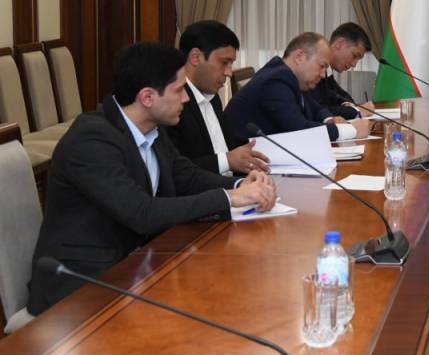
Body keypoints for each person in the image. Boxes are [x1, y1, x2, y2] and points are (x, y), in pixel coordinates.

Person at [27, 42, 276, 315]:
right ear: (147, 97)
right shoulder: (91, 139)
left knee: (226, 293)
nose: (186, 99)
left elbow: (186, 177)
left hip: (137, 267)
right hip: (81, 287)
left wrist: (241, 185)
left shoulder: (152, 129)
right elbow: (141, 212)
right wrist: (229, 198)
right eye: (179, 90)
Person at [164, 20, 270, 175]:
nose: (229, 72)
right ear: (195, 57)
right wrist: (227, 161)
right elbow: (175, 170)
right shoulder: (172, 104)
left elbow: (226, 145)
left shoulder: (212, 96)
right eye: (224, 62)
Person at [224, 32, 370, 141]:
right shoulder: (275, 81)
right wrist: (351, 130)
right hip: (242, 165)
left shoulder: (291, 77)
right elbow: (299, 130)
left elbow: (314, 107)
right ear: (299, 57)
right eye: (321, 66)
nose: (323, 75)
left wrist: (329, 119)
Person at [308, 22, 372, 120]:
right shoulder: (312, 70)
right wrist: (357, 111)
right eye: (354, 56)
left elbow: (342, 96)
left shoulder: (328, 72)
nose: (354, 64)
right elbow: (318, 110)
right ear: (339, 44)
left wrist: (351, 106)